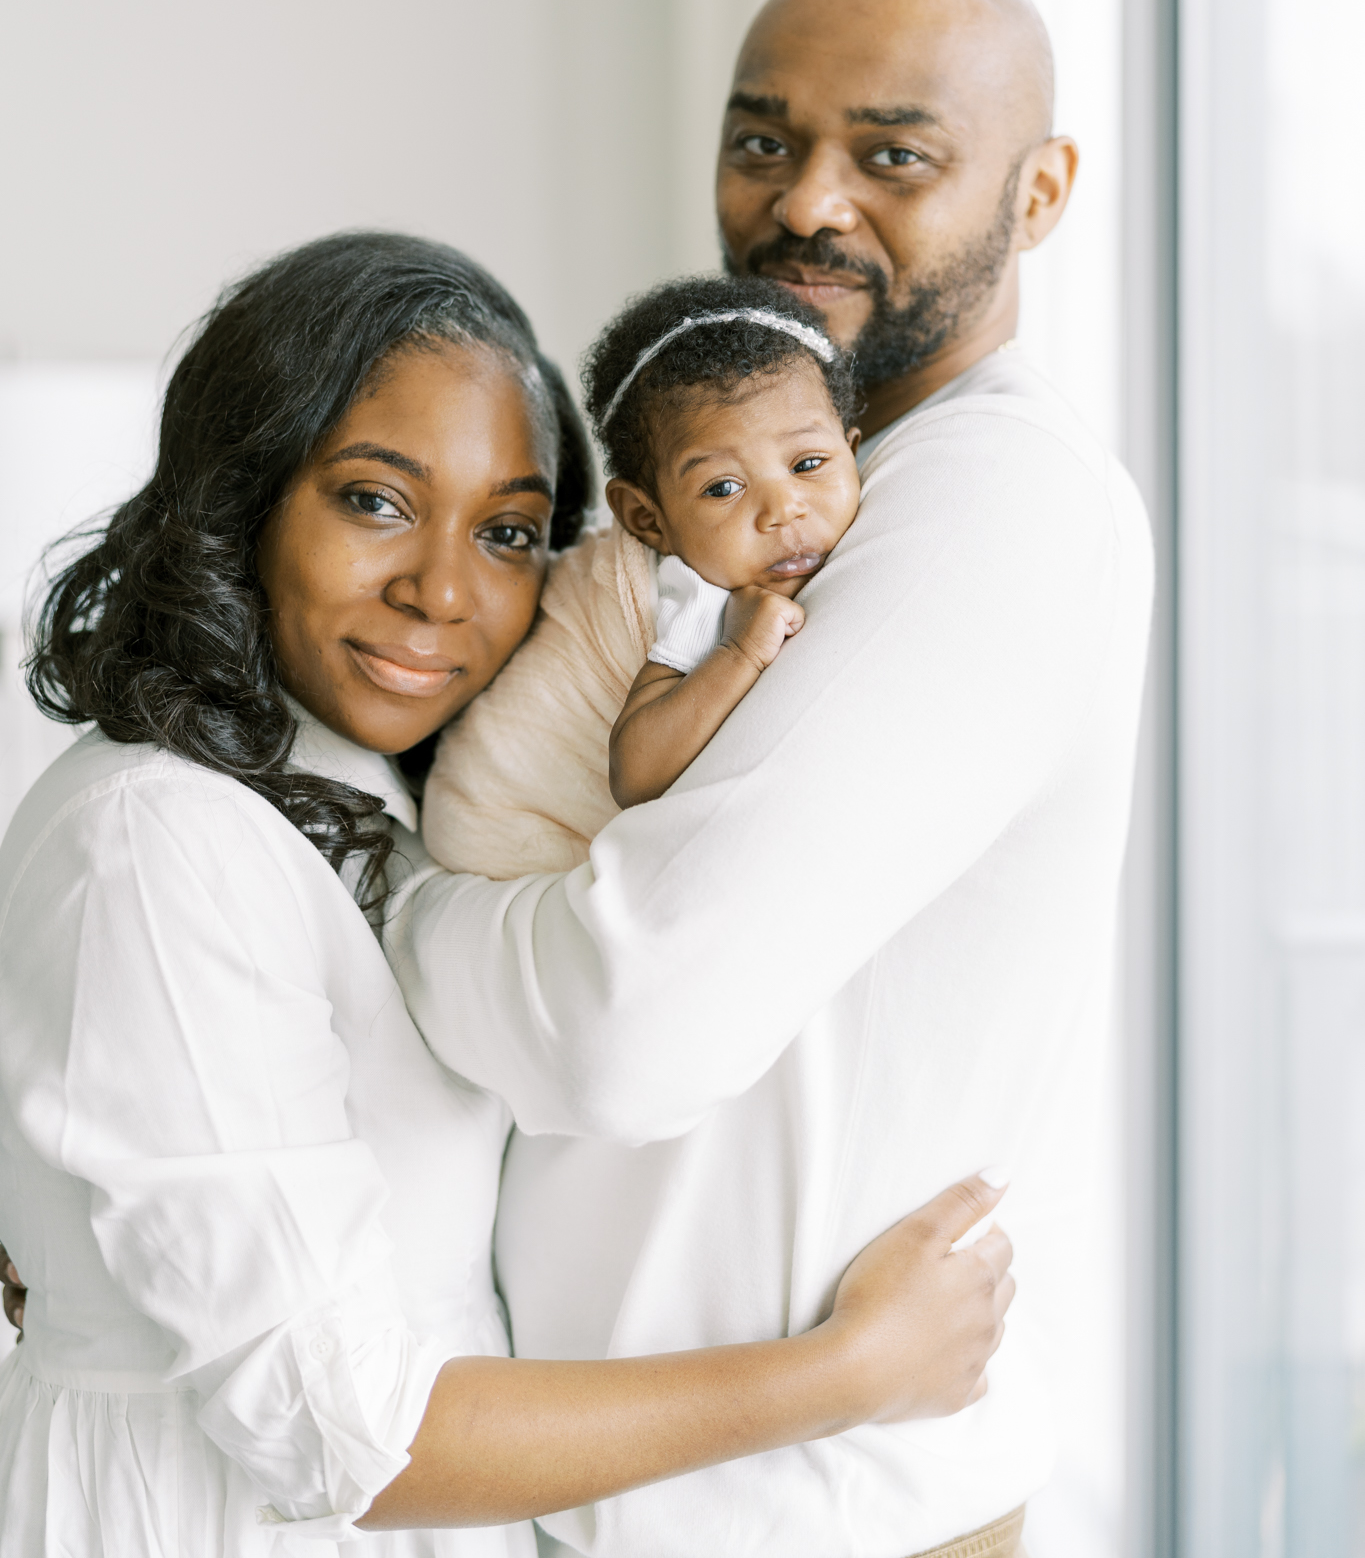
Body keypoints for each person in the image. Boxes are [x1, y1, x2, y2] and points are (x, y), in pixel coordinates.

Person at [0, 232, 1015, 1557]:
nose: (441, 590)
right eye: (374, 500)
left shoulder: (379, 809)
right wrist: (846, 1375)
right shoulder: (161, 833)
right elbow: (341, 1429)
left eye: (507, 531)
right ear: (243, 493)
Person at [385, 0, 1155, 1558]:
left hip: (820, 1513)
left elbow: (623, 1027)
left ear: (1040, 191)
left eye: (893, 154)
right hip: (646, 1492)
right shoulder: (776, 502)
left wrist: (412, 913)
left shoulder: (989, 501)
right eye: (762, 139)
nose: (805, 201)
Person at [422, 272, 861, 869]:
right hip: (502, 832)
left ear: (854, 450)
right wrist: (738, 652)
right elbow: (638, 773)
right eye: (723, 487)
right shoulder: (693, 592)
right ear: (648, 521)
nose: (783, 508)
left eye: (808, 463)